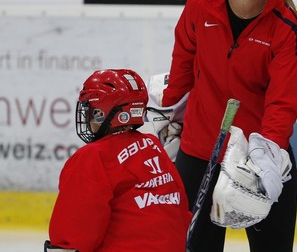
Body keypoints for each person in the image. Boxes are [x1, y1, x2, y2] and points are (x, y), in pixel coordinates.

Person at [159, 0, 297, 252]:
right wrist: (167, 112)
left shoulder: (286, 26)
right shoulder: (200, 5)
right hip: (199, 152)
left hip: (258, 159)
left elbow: (283, 102)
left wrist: (267, 153)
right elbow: (181, 67)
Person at [45, 69, 191, 252]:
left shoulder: (94, 156)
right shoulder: (153, 146)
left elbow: (74, 235)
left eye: (90, 109)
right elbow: (182, 212)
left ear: (101, 113)